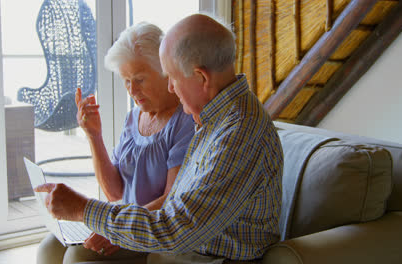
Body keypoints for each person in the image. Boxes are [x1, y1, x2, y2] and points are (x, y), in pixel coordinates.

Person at [35, 13, 283, 263]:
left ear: (201, 78)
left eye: (173, 78)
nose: (171, 88)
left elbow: (177, 229)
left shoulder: (238, 132)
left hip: (210, 256)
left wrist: (84, 209)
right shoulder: (214, 118)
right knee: (53, 249)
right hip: (184, 248)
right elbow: (171, 207)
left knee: (79, 258)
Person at [36, 21, 195, 264]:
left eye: (140, 79)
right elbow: (114, 192)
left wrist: (116, 227)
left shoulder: (184, 121)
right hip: (121, 220)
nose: (132, 89)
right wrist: (93, 135)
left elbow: (170, 201)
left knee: (77, 256)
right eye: (126, 80)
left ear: (165, 72)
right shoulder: (133, 118)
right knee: (50, 247)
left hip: (149, 229)